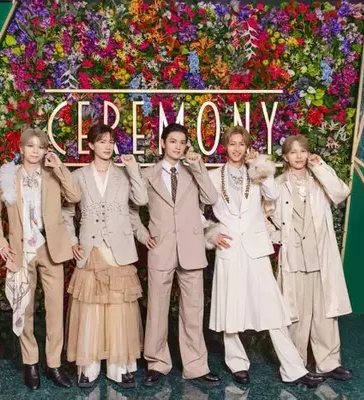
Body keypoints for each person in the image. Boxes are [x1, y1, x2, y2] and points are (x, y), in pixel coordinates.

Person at [205, 126, 325, 388]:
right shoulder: (213, 176)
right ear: (225, 146)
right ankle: (237, 364)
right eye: (232, 143)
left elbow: (273, 195)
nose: (237, 148)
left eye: (242, 144)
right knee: (230, 308)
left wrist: (258, 166)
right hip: (229, 247)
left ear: (247, 147)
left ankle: (293, 369)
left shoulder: (257, 172)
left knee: (273, 309)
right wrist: (210, 233)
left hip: (256, 246)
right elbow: (193, 207)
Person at [0, 127, 80, 390]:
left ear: (46, 151)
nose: (35, 151)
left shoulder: (52, 175)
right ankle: (30, 363)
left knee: (55, 310)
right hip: (21, 252)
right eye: (31, 146)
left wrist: (59, 167)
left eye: (40, 147)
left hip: (51, 249)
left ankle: (54, 365)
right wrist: (1, 244)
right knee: (25, 309)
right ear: (21, 149)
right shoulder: (8, 177)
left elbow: (75, 196)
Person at [130, 123, 221, 387]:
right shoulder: (147, 174)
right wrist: (142, 233)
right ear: (162, 143)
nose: (178, 146)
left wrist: (198, 166)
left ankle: (196, 366)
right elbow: (131, 209)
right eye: (173, 141)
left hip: (191, 248)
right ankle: (157, 362)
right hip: (161, 248)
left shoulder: (193, 171)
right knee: (157, 309)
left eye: (182, 142)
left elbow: (211, 197)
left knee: (193, 309)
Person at [64, 124, 148, 389]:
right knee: (90, 306)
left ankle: (118, 366)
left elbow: (141, 200)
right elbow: (66, 212)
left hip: (118, 249)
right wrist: (72, 241)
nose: (107, 146)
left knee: (118, 307)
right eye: (102, 141)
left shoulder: (124, 175)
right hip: (90, 248)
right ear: (91, 145)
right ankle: (88, 366)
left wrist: (133, 168)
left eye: (111, 141)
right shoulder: (78, 176)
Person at [271, 135, 353, 381]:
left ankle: (328, 363)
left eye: (303, 151)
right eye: (293, 152)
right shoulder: (277, 185)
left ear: (308, 154)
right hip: (294, 258)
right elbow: (265, 215)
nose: (298, 156)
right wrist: (278, 237)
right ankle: (297, 365)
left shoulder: (320, 180)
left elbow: (342, 192)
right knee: (295, 313)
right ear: (285, 157)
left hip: (319, 256)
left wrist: (320, 166)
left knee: (325, 313)